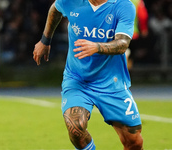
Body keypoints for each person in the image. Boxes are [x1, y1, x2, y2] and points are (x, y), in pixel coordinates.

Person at [33, 0, 143, 149]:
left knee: (134, 143)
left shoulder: (123, 6)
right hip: (78, 79)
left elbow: (123, 44)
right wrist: (45, 41)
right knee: (75, 126)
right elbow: (55, 9)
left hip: (111, 82)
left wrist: (96, 47)